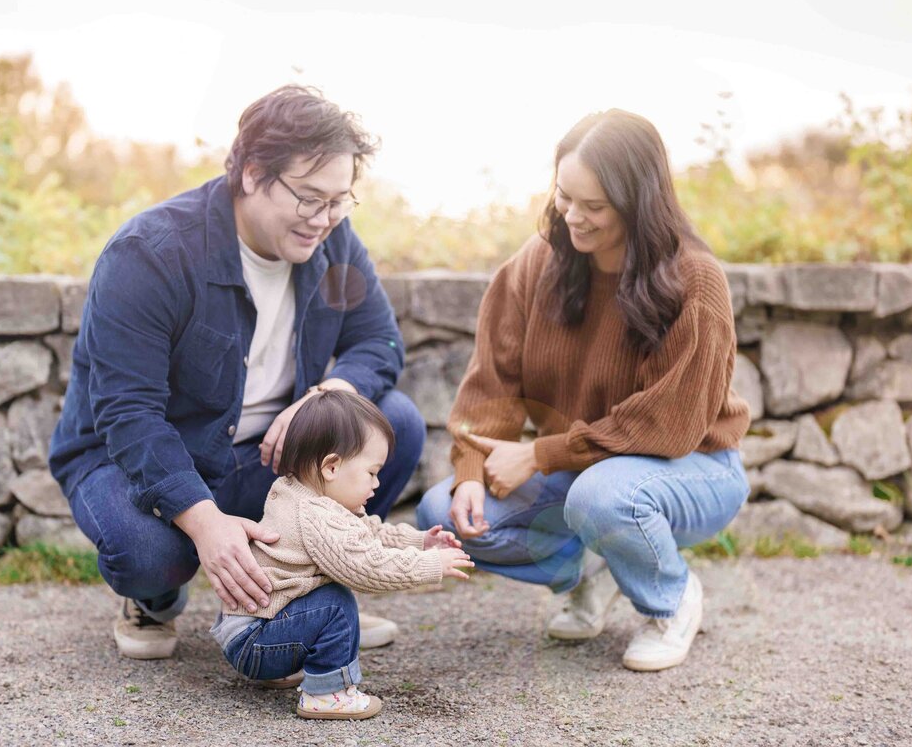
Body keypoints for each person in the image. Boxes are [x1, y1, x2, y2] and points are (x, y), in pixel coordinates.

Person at [49, 85, 426, 661]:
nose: (324, 220)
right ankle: (153, 601)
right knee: (149, 555)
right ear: (252, 173)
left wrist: (328, 394)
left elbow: (377, 340)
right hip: (129, 457)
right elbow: (130, 415)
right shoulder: (150, 254)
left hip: (261, 456)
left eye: (339, 201)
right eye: (307, 198)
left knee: (392, 421)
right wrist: (204, 523)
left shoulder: (335, 243)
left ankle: (305, 591)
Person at [416, 109, 751, 672]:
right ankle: (598, 567)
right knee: (443, 510)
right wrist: (472, 467)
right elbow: (491, 384)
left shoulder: (694, 280)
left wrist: (541, 454)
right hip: (583, 471)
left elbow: (666, 426)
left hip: (695, 467)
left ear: (638, 202)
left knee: (602, 497)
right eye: (564, 195)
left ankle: (670, 600)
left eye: (594, 206)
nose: (572, 215)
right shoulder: (537, 261)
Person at [212, 389, 472, 719]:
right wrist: (430, 565)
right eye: (371, 472)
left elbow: (369, 533)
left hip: (251, 630)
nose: (377, 483)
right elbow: (367, 566)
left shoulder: (301, 491)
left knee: (322, 598)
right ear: (331, 467)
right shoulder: (315, 516)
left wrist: (420, 542)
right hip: (255, 641)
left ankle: (286, 669)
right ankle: (327, 693)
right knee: (336, 603)